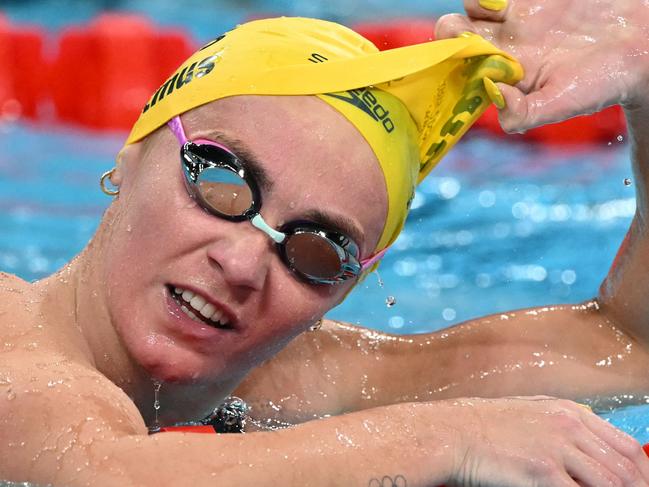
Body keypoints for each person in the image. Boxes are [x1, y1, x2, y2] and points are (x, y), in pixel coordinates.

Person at [2, 1, 649, 486]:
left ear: (349, 287)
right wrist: (456, 436)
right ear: (133, 151)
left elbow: (631, 349)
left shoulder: (288, 380)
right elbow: (104, 472)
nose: (241, 262)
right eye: (222, 182)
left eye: (316, 248)